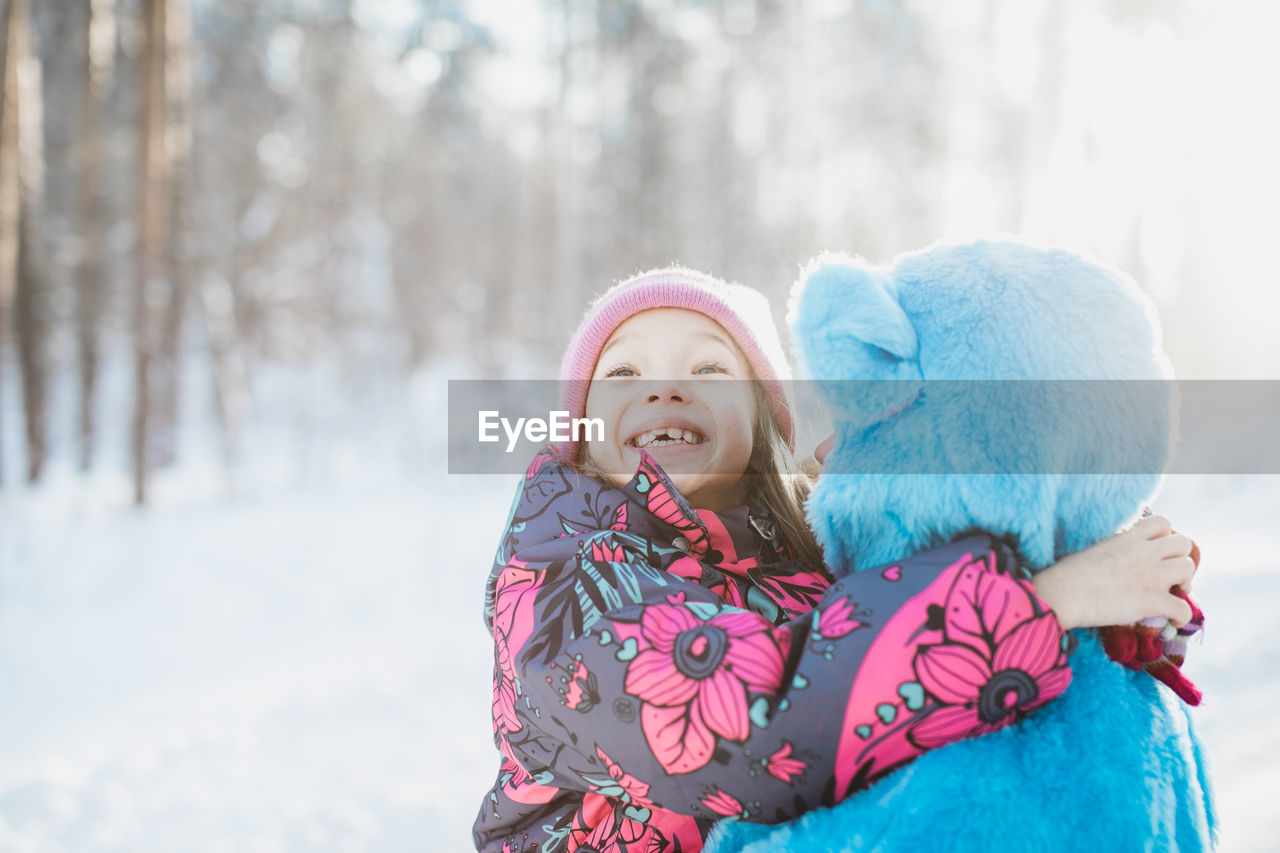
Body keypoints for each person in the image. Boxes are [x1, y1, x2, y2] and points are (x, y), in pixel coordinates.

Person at [471, 267, 1199, 853]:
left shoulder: (800, 545)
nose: (666, 387)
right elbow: (754, 725)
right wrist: (1043, 602)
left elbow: (895, 633)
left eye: (709, 367)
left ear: (763, 418)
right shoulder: (564, 575)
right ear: (580, 432)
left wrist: (1104, 585)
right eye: (624, 371)